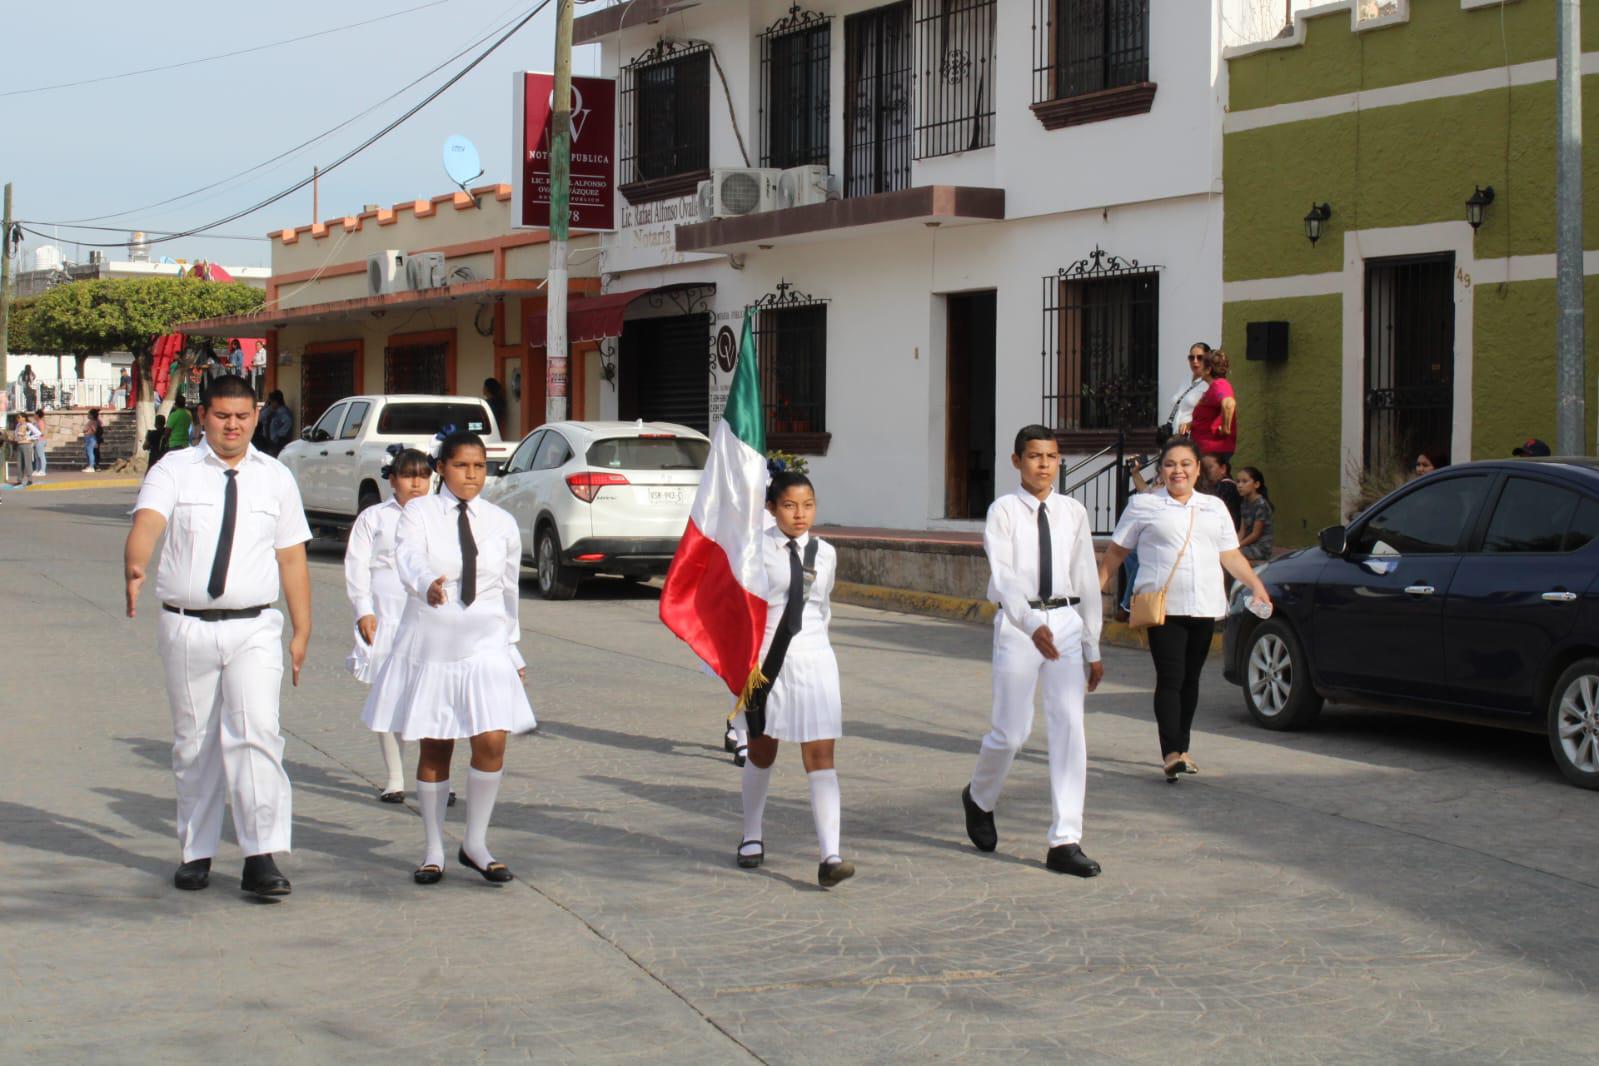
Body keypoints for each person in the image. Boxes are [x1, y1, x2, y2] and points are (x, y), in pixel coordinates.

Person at [122, 374, 313, 897]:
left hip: (254, 626)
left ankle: (261, 856)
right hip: (187, 625)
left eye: (242, 416)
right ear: (203, 416)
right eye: (222, 416)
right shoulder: (175, 470)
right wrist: (136, 564)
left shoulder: (276, 477)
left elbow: (292, 556)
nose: (233, 426)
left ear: (256, 417)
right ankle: (197, 852)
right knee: (195, 742)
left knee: (257, 736)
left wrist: (302, 628)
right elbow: (149, 522)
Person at [362, 431, 535, 885]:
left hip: (485, 644)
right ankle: (434, 848)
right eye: (462, 466)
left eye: (480, 466)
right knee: (436, 744)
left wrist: (511, 645)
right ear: (442, 468)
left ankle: (475, 843)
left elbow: (508, 590)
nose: (472, 475)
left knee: (492, 740)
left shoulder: (500, 521)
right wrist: (427, 585)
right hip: (434, 639)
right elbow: (409, 557)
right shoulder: (420, 512)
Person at [961, 426, 1104, 879]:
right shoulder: (1003, 511)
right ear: (1016, 460)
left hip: (1064, 621)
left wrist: (1091, 642)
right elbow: (1002, 576)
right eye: (1035, 456)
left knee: (1069, 729)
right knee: (1012, 732)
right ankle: (979, 797)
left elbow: (1085, 578)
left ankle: (1065, 839)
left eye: (1052, 456)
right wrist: (1029, 623)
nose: (1044, 465)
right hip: (1021, 624)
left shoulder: (1073, 512)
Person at [1098, 438, 1272, 782]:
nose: (1178, 470)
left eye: (1186, 464)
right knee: (1171, 678)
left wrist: (1256, 585)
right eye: (1170, 464)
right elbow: (1117, 552)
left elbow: (1230, 555)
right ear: (1161, 470)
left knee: (1191, 680)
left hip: (1204, 605)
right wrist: (1095, 589)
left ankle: (1183, 747)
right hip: (1164, 608)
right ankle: (1171, 753)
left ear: (1197, 470)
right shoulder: (1144, 506)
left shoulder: (1213, 507)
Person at [734, 471, 855, 888]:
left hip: (816, 660)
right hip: (766, 662)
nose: (799, 514)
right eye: (789, 505)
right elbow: (743, 611)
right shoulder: (755, 550)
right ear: (771, 508)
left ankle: (830, 855)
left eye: (807, 505)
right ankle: (752, 833)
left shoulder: (826, 554)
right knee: (762, 751)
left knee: (821, 757)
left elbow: (822, 607)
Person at [345, 448, 436, 805]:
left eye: (424, 475)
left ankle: (433, 775)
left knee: (432, 695)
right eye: (409, 475)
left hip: (427, 609)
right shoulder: (374, 518)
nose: (416, 483)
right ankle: (395, 778)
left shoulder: (441, 516)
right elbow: (357, 565)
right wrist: (363, 609)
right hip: (385, 608)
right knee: (388, 692)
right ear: (392, 479)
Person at [1189, 348, 1237, 461]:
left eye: (1201, 364)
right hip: (1206, 451)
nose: (1197, 366)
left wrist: (1225, 428)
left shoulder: (1219, 384)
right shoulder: (1213, 387)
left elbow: (1229, 403)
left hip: (1212, 454)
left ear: (1208, 369)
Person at [1167, 342, 1212, 440]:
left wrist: (1190, 424)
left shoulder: (1208, 383)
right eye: (1191, 358)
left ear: (1207, 360)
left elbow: (1209, 415)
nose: (1195, 361)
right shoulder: (1186, 378)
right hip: (1175, 435)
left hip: (1192, 437)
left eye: (1199, 357)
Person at [1236, 466, 1274, 567]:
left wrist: (1238, 546)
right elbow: (1242, 531)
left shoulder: (1261, 504)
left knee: (1232, 555)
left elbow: (1255, 534)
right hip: (1247, 545)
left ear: (1256, 484)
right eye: (1238, 481)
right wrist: (1233, 544)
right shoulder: (1244, 503)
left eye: (1244, 481)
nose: (1240, 485)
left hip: (1261, 548)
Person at [1199, 452, 1242, 530]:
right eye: (1203, 469)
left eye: (1209, 467)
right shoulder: (1211, 487)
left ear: (1223, 469)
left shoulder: (1227, 486)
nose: (1206, 472)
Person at [264, 391, 294, 457]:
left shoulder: (283, 412)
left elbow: (288, 422)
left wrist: (279, 435)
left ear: (276, 401)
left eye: (271, 402)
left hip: (279, 442)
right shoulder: (275, 411)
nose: (271, 404)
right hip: (274, 441)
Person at [14, 413, 40, 486]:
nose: (18, 419)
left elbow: (38, 433)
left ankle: (30, 479)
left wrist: (29, 438)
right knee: (19, 463)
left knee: (27, 463)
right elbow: (16, 434)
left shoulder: (28, 425)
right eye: (17, 418)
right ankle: (19, 479)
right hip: (19, 444)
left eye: (19, 417)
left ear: (24, 418)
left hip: (26, 445)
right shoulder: (18, 425)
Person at [32, 411, 48, 478]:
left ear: (38, 415)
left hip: (40, 440)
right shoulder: (36, 422)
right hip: (36, 441)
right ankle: (37, 469)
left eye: (35, 414)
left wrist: (35, 436)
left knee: (41, 456)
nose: (34, 416)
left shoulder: (41, 422)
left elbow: (42, 432)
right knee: (37, 456)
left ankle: (42, 470)